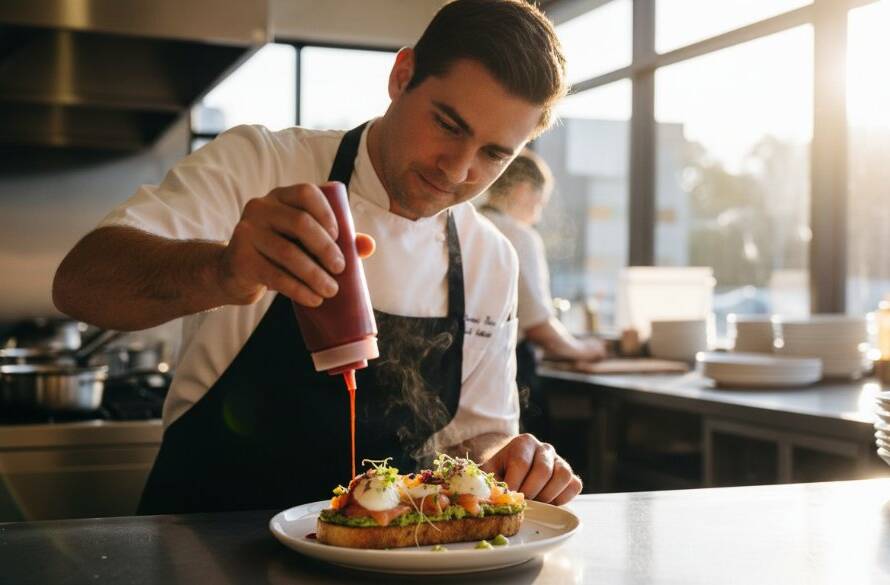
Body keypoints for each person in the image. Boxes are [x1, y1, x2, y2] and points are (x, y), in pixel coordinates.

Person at [52, 0, 583, 514]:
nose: (457, 169)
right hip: (201, 543)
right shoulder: (259, 164)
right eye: (448, 124)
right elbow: (80, 283)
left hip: (384, 556)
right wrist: (221, 272)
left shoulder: (490, 257)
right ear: (402, 76)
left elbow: (475, 437)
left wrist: (507, 460)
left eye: (494, 154)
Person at [480, 152, 605, 436]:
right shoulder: (518, 235)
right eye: (539, 204)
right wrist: (584, 350)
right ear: (524, 190)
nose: (537, 214)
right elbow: (537, 324)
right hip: (507, 371)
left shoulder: (467, 225)